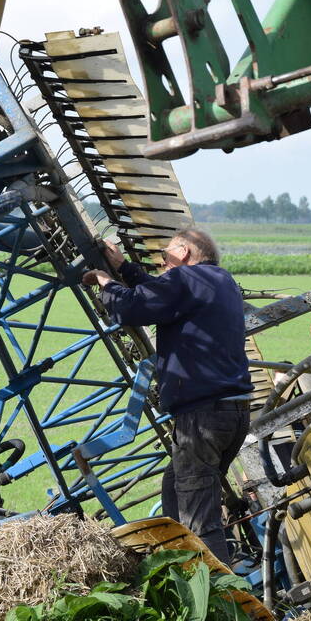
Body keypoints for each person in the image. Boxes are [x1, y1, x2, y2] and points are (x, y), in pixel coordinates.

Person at [82, 229, 252, 565]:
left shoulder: (185, 280)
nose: (163, 264)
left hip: (201, 417)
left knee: (199, 520)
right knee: (175, 491)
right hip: (233, 413)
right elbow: (162, 292)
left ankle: (224, 606)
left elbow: (134, 306)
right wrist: (126, 268)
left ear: (185, 252)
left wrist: (105, 282)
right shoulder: (221, 281)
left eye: (166, 256)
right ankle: (180, 573)